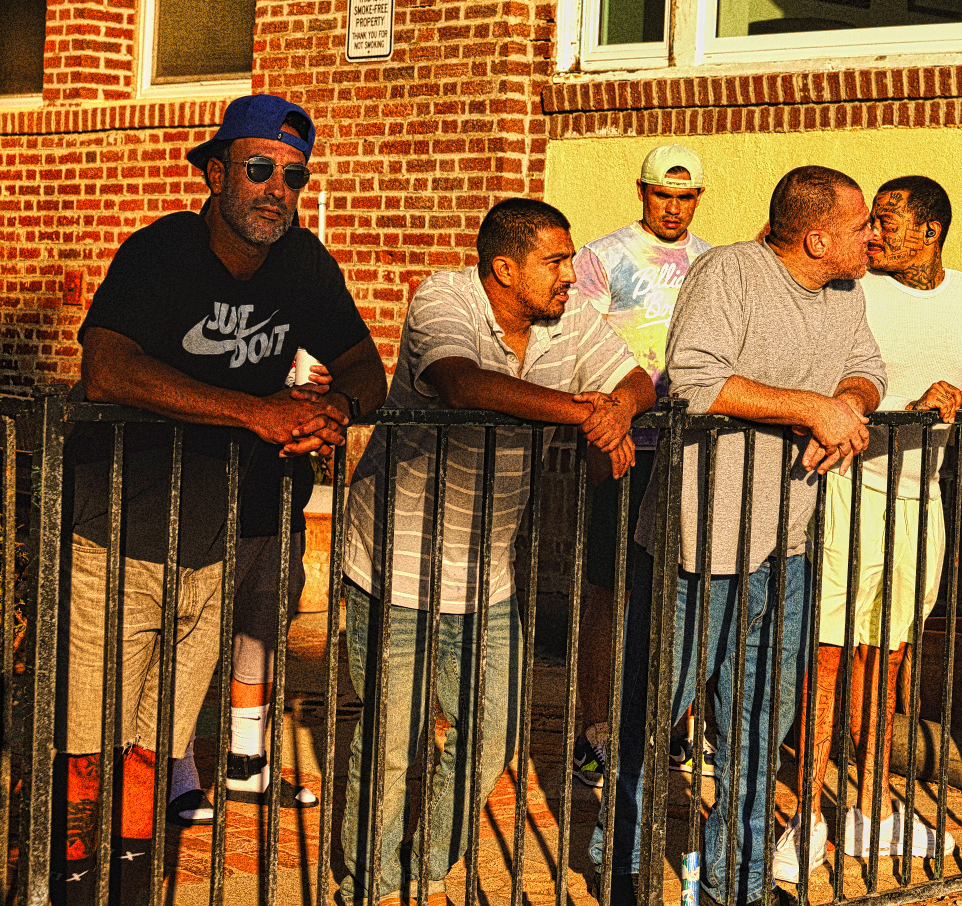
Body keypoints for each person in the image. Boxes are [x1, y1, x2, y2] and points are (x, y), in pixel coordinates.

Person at [58, 94, 387, 903]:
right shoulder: (161, 251)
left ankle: (131, 887)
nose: (278, 189)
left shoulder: (303, 263)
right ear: (215, 173)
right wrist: (256, 411)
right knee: (84, 747)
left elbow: (366, 368)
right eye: (259, 168)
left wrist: (333, 408)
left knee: (153, 745)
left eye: (294, 176)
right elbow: (106, 367)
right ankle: (67, 884)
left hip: (211, 540)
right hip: (116, 532)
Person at [338, 198, 653, 906]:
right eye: (555, 260)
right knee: (392, 745)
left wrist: (619, 409)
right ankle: (369, 883)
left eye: (570, 258)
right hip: (396, 562)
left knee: (488, 737)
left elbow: (634, 378)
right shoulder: (444, 298)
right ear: (504, 269)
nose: (570, 274)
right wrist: (586, 414)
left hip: (487, 573)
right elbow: (460, 383)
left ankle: (424, 868)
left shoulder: (567, 316)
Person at [595, 165, 886, 906]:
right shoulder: (730, 273)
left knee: (762, 719)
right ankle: (622, 860)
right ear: (816, 237)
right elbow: (694, 378)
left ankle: (742, 881)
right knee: (656, 708)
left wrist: (847, 406)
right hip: (700, 538)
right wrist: (811, 409)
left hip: (787, 541)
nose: (874, 236)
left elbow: (867, 369)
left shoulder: (846, 292)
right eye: (861, 226)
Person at [779, 175, 962, 881]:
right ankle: (805, 818)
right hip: (845, 489)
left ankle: (873, 810)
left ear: (930, 231)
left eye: (887, 220)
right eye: (870, 221)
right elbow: (818, 382)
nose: (872, 233)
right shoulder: (853, 289)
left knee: (889, 658)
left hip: (920, 500)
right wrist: (909, 404)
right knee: (827, 657)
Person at [567, 143, 716, 790]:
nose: (673, 208)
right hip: (626, 443)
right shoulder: (602, 257)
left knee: (686, 588)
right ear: (642, 191)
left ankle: (675, 727)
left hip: (692, 447)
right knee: (611, 588)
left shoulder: (713, 261)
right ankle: (595, 732)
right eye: (663, 194)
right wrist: (601, 430)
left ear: (698, 199)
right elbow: (576, 344)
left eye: (685, 197)